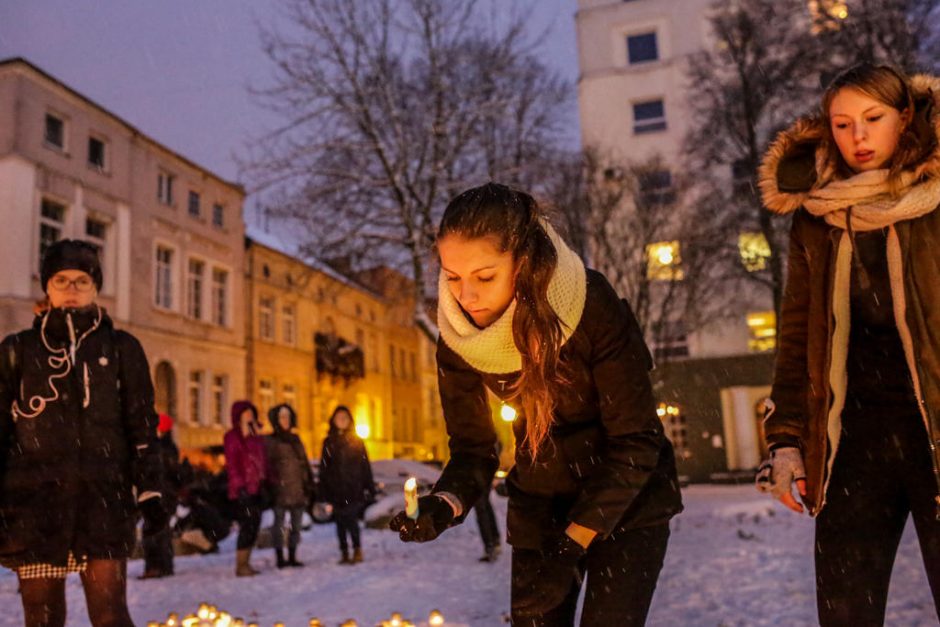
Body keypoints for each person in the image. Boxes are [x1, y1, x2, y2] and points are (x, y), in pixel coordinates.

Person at [389, 183, 683, 626]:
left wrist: (572, 544)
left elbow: (637, 441)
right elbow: (472, 448)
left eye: (484, 277)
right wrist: (444, 504)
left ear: (523, 263)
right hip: (541, 498)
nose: (466, 297)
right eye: (452, 277)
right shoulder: (458, 335)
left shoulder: (588, 302)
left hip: (627, 497)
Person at [756, 63, 940, 624]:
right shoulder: (818, 212)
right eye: (842, 124)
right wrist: (786, 441)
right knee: (845, 612)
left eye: (872, 118)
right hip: (852, 437)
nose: (858, 137)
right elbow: (796, 333)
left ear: (903, 117)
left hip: (934, 428)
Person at [0, 239, 167, 626]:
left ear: (95, 287)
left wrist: (150, 488)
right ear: (47, 287)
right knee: (42, 618)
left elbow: (141, 425)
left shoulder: (122, 348)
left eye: (81, 280)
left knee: (110, 614)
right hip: (35, 504)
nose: (71, 289)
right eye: (61, 280)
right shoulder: (17, 350)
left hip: (103, 500)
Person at [319, 406, 375, 565]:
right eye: (339, 417)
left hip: (353, 489)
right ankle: (344, 552)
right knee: (340, 523)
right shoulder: (329, 442)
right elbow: (324, 468)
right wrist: (323, 491)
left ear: (350, 420)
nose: (342, 420)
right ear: (334, 420)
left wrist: (369, 487)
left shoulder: (357, 441)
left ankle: (357, 549)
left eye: (345, 417)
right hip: (336, 490)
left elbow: (365, 466)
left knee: (352, 520)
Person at [140, 413, 190, 579]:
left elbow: (160, 473)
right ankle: (164, 565)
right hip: (166, 494)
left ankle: (155, 566)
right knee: (161, 530)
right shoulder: (168, 446)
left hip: (159, 494)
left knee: (154, 531)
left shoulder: (158, 448)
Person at [266, 403, 315, 568]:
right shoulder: (271, 440)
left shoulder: (296, 439)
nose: (285, 420)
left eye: (287, 417)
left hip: (298, 489)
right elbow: (268, 466)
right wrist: (272, 486)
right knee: (279, 525)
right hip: (280, 490)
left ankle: (292, 555)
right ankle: (280, 557)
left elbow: (304, 463)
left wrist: (308, 482)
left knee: (296, 525)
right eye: (281, 417)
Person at [224, 400, 268, 577]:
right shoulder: (232, 437)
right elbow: (232, 464)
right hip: (242, 489)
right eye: (246, 413)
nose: (249, 416)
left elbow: (261, 461)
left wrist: (264, 481)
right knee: (247, 525)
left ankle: (246, 562)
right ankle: (241, 565)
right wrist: (240, 486)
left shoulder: (255, 437)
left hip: (256, 488)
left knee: (254, 524)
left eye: (251, 413)